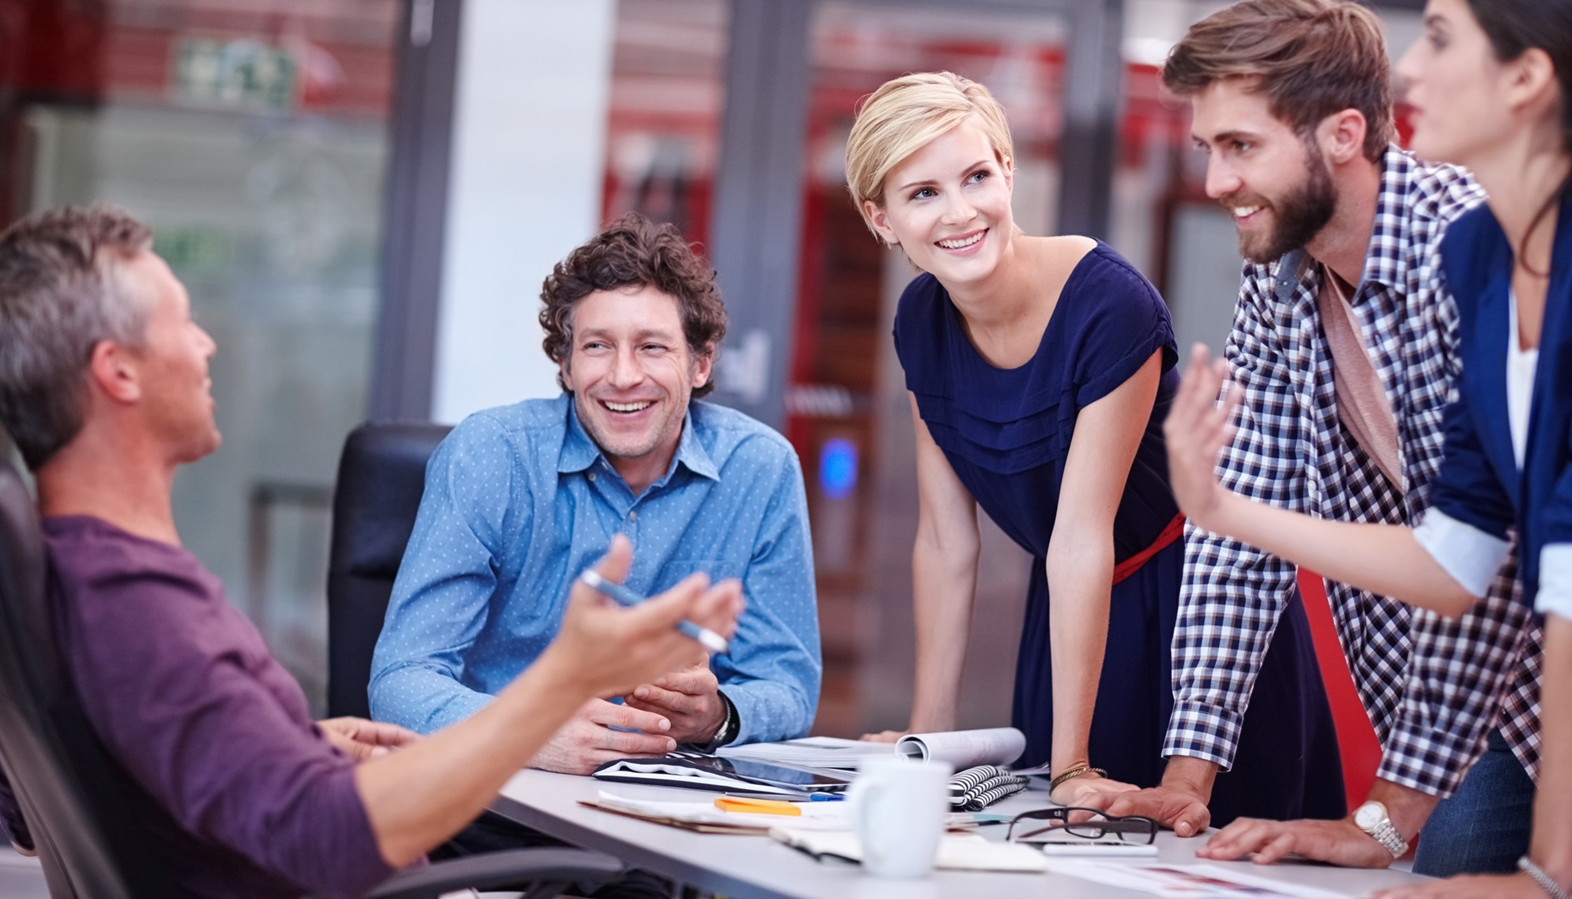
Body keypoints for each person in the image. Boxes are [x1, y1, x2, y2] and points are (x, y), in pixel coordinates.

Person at [0, 205, 743, 898]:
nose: (207, 343)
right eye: (183, 322)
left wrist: (285, 747)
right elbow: (333, 840)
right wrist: (560, 681)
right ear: (118, 371)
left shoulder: (81, 576)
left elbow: (39, 809)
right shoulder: (142, 613)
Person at [1087, 0, 1545, 879]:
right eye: (1209, 148)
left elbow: (1483, 565)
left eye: (1242, 146)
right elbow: (1240, 519)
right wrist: (1191, 775)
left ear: (1343, 134)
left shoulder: (1477, 257)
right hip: (1478, 708)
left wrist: (1382, 816)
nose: (1217, 181)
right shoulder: (1283, 277)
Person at [845, 71, 1341, 821]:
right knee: (1058, 846)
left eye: (977, 176)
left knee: (1184, 855)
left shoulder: (1107, 300)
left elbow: (1084, 531)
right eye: (923, 194)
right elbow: (945, 541)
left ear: (1008, 172)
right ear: (881, 220)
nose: (960, 212)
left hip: (1194, 612)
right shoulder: (921, 318)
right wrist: (929, 738)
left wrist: (1074, 762)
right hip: (1070, 604)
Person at [370, 213, 820, 773]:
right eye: (598, 346)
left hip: (668, 808)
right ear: (565, 363)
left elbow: (786, 683)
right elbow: (401, 680)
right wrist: (527, 734)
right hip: (498, 795)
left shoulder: (761, 468)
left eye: (652, 347)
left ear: (700, 363)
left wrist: (718, 715)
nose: (623, 376)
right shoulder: (491, 454)